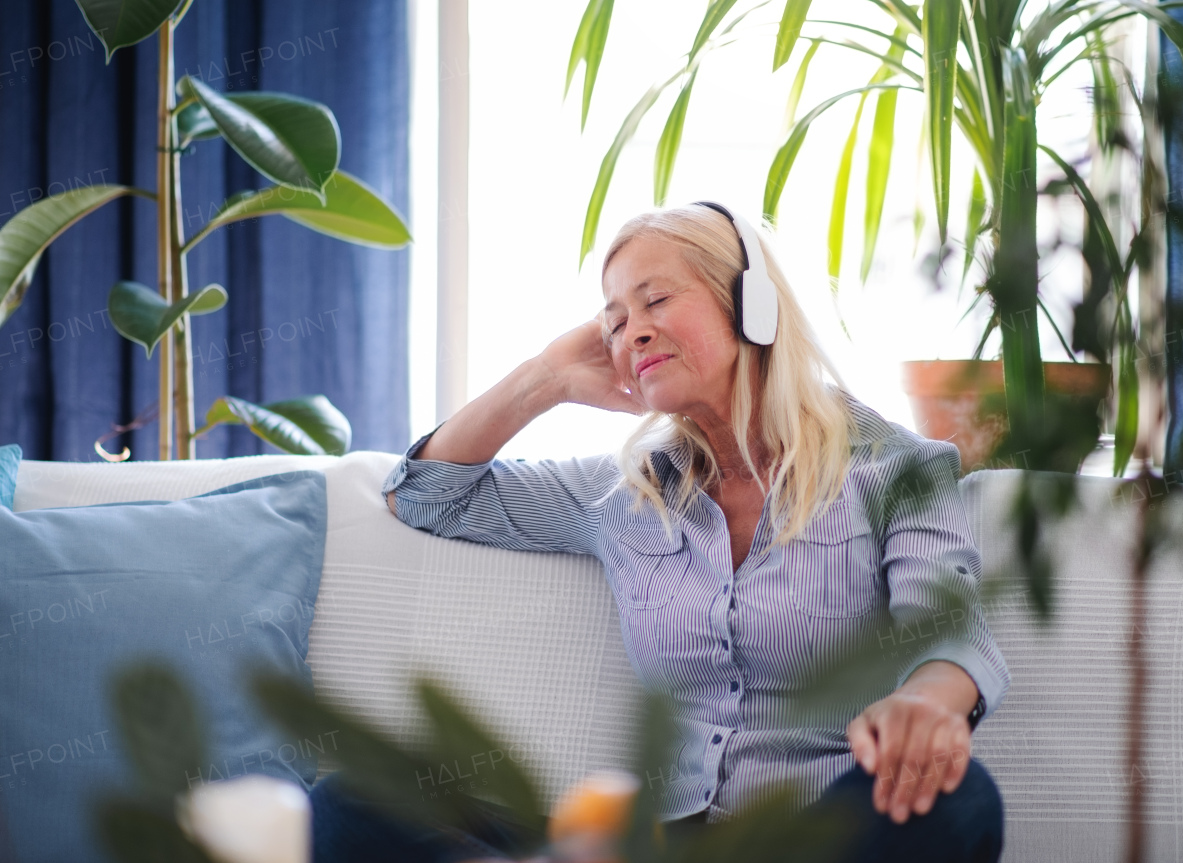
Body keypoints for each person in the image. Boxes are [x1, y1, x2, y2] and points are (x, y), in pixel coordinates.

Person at [311, 203, 1011, 862]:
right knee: (357, 800)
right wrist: (547, 376)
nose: (631, 332)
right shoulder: (620, 493)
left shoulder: (898, 469)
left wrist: (924, 704)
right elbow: (425, 496)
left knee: (957, 798)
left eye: (655, 300)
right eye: (614, 322)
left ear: (751, 303)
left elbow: (951, 634)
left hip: (819, 833)